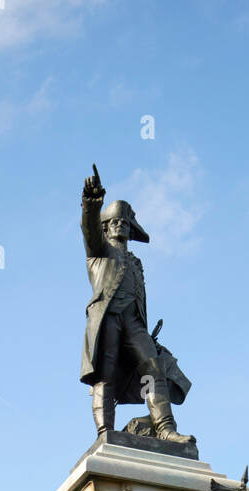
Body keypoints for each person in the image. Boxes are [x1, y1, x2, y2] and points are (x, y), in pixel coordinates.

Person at [79, 164, 194, 445]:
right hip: (107, 319)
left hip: (133, 322)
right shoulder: (98, 253)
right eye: (115, 222)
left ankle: (165, 428)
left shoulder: (135, 263)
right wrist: (92, 202)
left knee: (154, 367)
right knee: (104, 375)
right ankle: (106, 433)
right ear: (106, 228)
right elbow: (89, 227)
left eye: (125, 223)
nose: (120, 225)